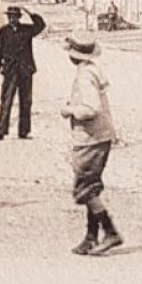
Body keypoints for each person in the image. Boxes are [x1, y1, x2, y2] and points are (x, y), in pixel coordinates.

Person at [60, 30, 123, 257]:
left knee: (85, 189)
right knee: (91, 185)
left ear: (74, 55)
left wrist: (69, 110)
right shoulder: (93, 71)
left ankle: (110, 231)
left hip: (90, 138)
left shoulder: (85, 76)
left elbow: (91, 109)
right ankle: (90, 237)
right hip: (99, 136)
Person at [0, 5, 46, 141]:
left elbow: (40, 26)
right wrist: (0, 66)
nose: (12, 19)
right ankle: (0, 131)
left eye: (14, 16)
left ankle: (24, 131)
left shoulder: (26, 30)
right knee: (6, 101)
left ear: (19, 18)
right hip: (10, 71)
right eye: (10, 16)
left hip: (25, 70)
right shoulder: (3, 32)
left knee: (26, 101)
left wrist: (30, 13)